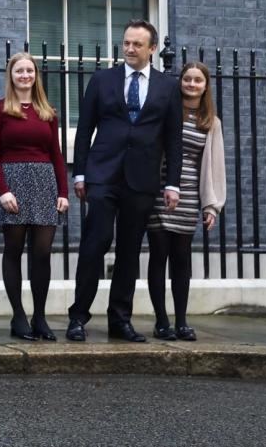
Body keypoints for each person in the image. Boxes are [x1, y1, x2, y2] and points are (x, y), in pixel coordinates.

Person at [68, 19, 183, 343]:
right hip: (103, 174)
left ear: (152, 49)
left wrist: (172, 184)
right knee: (96, 243)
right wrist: (80, 172)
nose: (129, 49)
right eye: (126, 43)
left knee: (130, 252)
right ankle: (78, 317)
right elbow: (84, 128)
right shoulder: (103, 80)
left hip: (142, 179)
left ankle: (120, 319)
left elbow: (173, 140)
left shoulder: (167, 86)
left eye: (136, 44)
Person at [0, 52, 69, 341]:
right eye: (19, 71)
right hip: (13, 183)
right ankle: (18, 316)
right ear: (11, 75)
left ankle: (40, 317)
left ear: (36, 75)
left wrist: (63, 192)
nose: (25, 75)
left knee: (42, 253)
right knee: (14, 249)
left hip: (44, 182)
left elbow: (56, 154)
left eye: (29, 71)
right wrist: (3, 190)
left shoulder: (47, 112)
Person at [146, 62, 226, 341]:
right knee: (159, 255)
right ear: (180, 82)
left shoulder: (211, 122)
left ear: (206, 86)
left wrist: (211, 205)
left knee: (181, 259)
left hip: (190, 195)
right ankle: (161, 321)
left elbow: (215, 165)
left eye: (198, 80)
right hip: (160, 189)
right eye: (187, 79)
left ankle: (181, 321)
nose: (191, 84)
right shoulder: (168, 111)